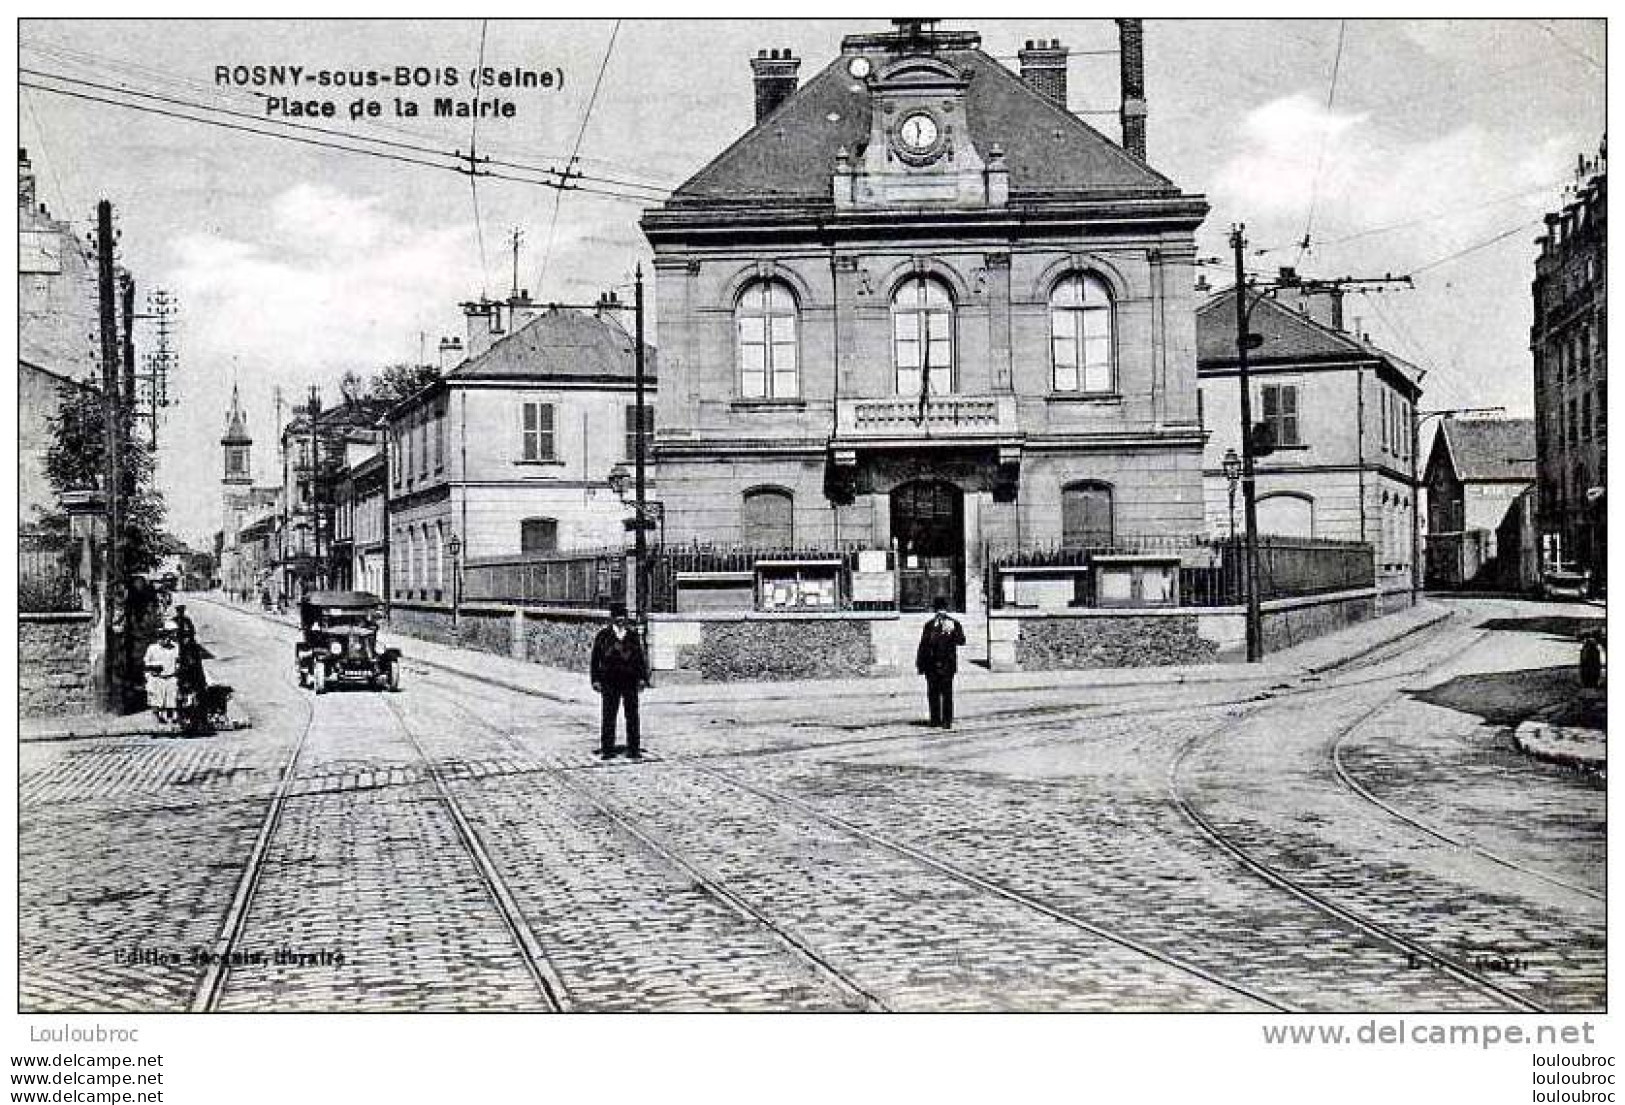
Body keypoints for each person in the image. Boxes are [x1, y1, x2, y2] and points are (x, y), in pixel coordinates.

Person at [591, 602, 650, 760]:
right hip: (610, 681)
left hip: (630, 680)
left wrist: (643, 678)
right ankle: (608, 749)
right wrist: (595, 679)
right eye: (617, 617)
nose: (620, 620)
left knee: (632, 715)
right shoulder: (603, 636)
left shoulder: (632, 636)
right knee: (609, 715)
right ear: (612, 619)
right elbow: (595, 659)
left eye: (622, 617)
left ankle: (633, 749)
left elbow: (639, 658)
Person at [915, 596, 966, 729]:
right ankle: (935, 719)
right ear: (935, 611)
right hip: (931, 665)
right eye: (938, 610)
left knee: (947, 694)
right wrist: (920, 664)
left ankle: (947, 720)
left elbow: (961, 641)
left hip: (947, 665)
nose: (940, 613)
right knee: (933, 693)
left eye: (942, 610)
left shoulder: (954, 624)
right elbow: (923, 645)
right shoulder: (929, 625)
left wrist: (952, 631)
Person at [143, 622, 181, 724]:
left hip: (171, 676)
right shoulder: (152, 648)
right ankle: (157, 717)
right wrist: (153, 667)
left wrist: (177, 668)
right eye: (163, 638)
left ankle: (171, 717)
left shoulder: (175, 648)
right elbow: (146, 662)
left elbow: (178, 660)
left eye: (168, 638)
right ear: (159, 639)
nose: (166, 640)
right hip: (157, 677)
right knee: (156, 699)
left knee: (171, 699)